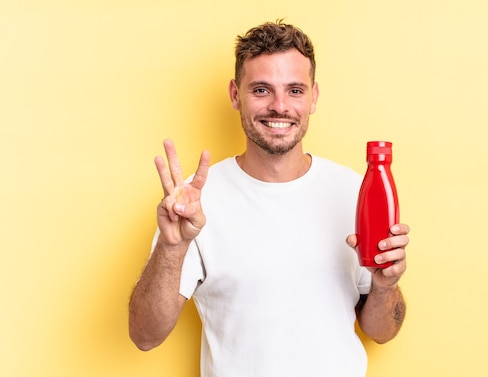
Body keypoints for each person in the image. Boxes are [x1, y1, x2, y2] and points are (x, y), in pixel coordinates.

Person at [128, 20, 410, 377]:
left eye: (295, 90)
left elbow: (382, 332)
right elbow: (144, 336)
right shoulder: (195, 202)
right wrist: (171, 249)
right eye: (261, 90)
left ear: (314, 97)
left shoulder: (356, 192)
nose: (280, 107)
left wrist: (385, 287)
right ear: (235, 94)